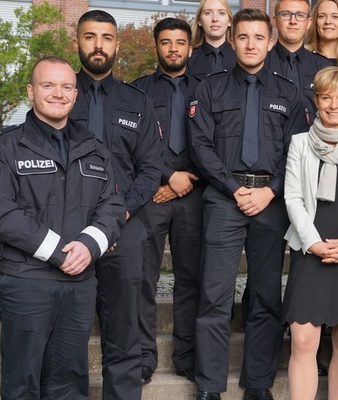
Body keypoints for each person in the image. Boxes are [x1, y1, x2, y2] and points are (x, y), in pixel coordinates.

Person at [0, 56, 126, 400]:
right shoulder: (4, 147)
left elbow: (113, 207)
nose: (58, 93)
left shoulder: (95, 149)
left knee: (70, 383)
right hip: (27, 283)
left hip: (80, 285)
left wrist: (88, 245)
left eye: (66, 86)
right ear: (31, 91)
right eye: (48, 85)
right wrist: (59, 252)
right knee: (22, 382)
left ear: (75, 94)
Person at [189, 8, 306, 400]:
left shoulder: (289, 91)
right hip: (225, 199)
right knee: (214, 296)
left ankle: (258, 383)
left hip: (270, 202)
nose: (251, 44)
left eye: (259, 37)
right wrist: (232, 188)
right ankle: (209, 386)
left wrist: (270, 190)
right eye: (243, 37)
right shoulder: (210, 88)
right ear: (232, 39)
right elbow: (200, 146)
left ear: (271, 42)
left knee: (266, 296)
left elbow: (295, 150)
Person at [70, 10, 162, 400]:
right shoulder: (60, 93)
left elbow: (151, 167)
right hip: (66, 228)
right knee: (69, 327)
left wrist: (121, 212)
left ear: (117, 46)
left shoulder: (135, 101)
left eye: (106, 38)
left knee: (124, 325)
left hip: (123, 226)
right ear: (77, 42)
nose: (98, 46)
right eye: (90, 37)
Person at [283, 66, 338, 400]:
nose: (334, 104)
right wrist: (314, 243)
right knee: (304, 339)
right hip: (311, 247)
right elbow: (292, 195)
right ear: (316, 100)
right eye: (326, 97)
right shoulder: (300, 143)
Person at [131, 17, 204, 385]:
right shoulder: (138, 91)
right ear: (156, 47)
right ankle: (144, 357)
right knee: (143, 277)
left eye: (179, 42)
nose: (173, 48)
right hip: (151, 195)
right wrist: (164, 177)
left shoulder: (209, 89)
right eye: (165, 42)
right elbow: (134, 145)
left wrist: (183, 180)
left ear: (190, 47)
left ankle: (186, 355)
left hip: (194, 193)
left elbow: (215, 142)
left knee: (191, 278)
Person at [266, 0, 334, 119]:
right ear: (275, 20)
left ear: (308, 23)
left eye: (300, 15)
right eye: (286, 14)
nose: (293, 21)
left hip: (313, 136)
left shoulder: (324, 67)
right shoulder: (261, 63)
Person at [305, 0, 338, 69]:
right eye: (322, 16)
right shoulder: (302, 59)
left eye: (335, 16)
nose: (328, 21)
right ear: (314, 22)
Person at [188, 0, 235, 80]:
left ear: (229, 21)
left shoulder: (240, 58)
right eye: (208, 13)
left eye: (221, 13)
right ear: (199, 21)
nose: (215, 19)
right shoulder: (189, 58)